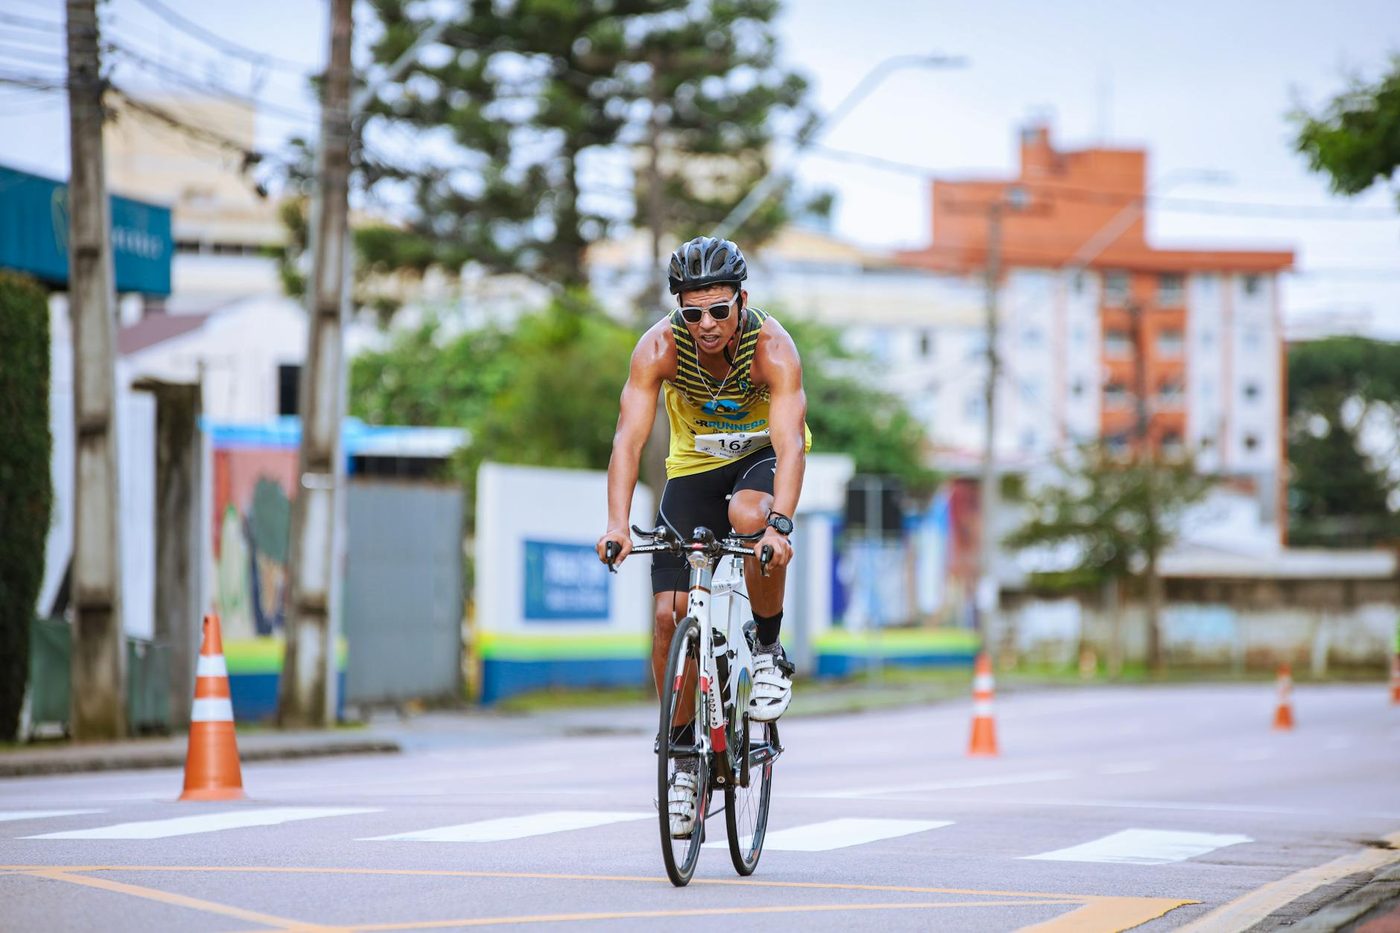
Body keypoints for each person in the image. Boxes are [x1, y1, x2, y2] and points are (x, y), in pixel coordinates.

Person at [596, 235, 808, 836]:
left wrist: (780, 526)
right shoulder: (658, 348)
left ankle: (766, 649)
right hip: (692, 469)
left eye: (719, 309)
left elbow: (791, 443)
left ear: (741, 299)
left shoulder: (773, 348)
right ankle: (683, 758)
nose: (707, 324)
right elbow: (627, 441)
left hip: (761, 459)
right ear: (678, 311)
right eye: (693, 312)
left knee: (748, 517)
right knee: (669, 616)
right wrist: (617, 522)